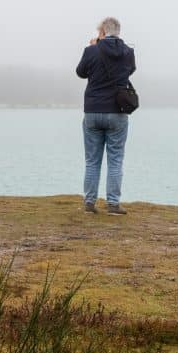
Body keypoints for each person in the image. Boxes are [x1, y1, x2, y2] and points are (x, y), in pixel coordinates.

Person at [75, 17, 136, 215]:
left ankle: (89, 203)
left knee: (92, 161)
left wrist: (95, 46)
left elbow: (80, 72)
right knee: (115, 160)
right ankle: (113, 204)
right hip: (117, 112)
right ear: (118, 31)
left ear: (102, 31)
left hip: (92, 110)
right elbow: (130, 70)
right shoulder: (128, 52)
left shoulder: (91, 50)